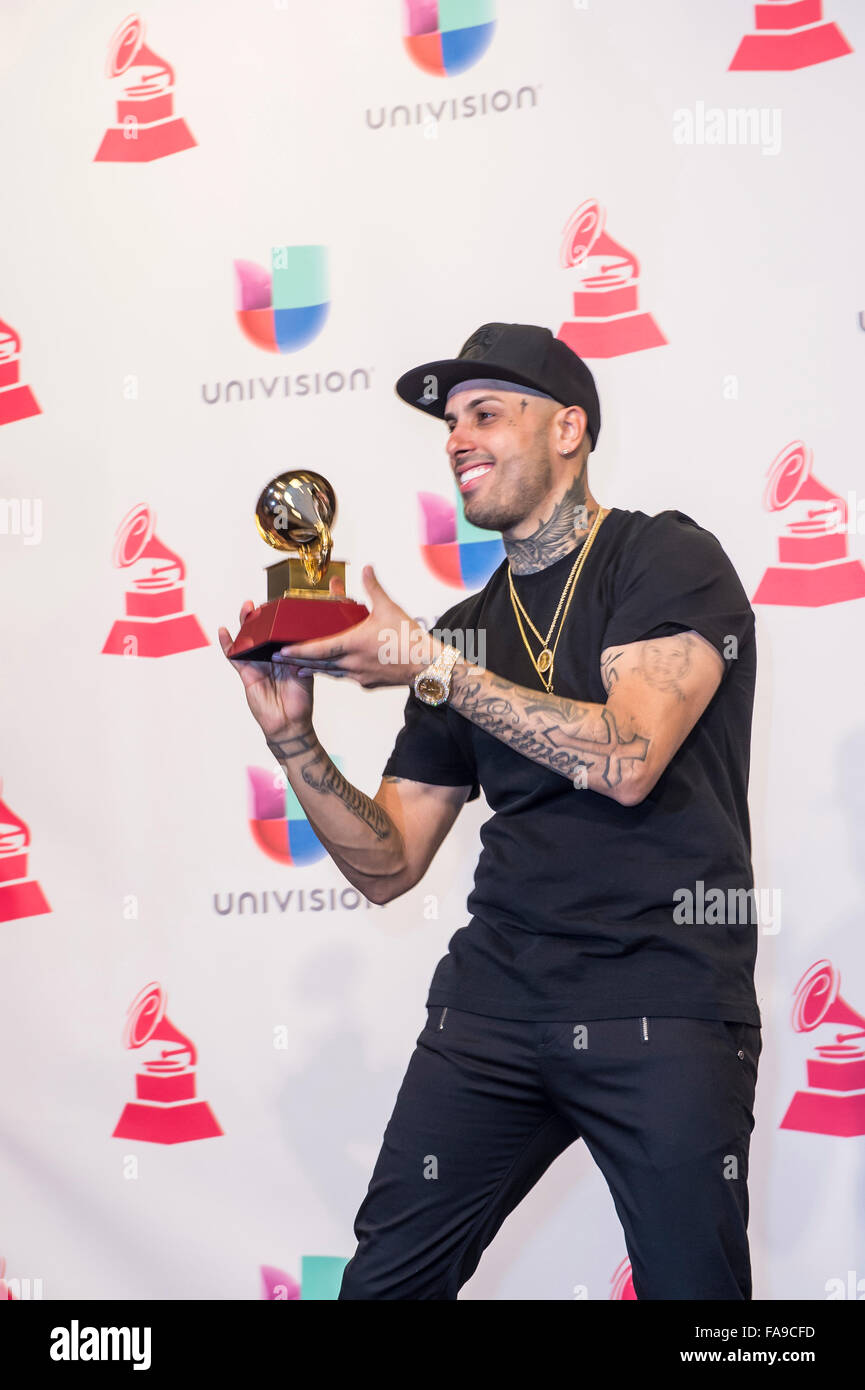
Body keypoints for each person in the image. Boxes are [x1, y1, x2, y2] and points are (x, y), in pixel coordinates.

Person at [219, 322, 762, 1301]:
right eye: (447, 423)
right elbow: (388, 860)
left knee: (700, 1306)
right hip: (496, 1002)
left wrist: (430, 664)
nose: (456, 437)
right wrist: (293, 739)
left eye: (485, 412)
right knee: (383, 1285)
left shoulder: (663, 558)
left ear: (568, 429)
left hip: (663, 997)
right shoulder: (468, 629)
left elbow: (629, 756)